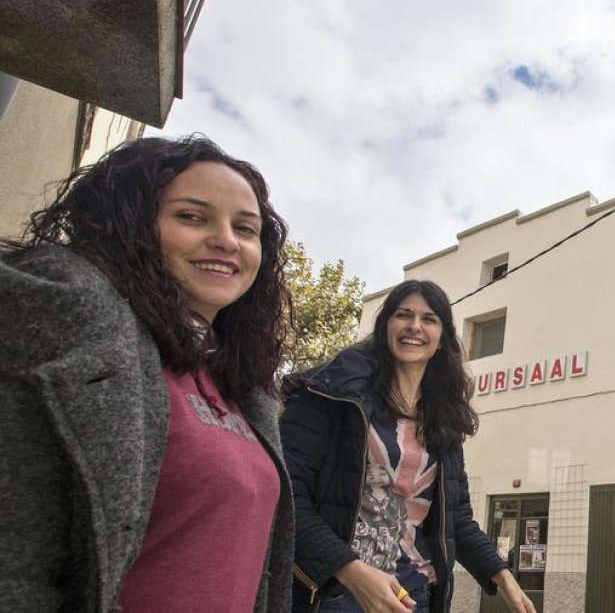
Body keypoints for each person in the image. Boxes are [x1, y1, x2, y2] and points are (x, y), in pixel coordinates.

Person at [0, 135, 295, 611]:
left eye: (245, 228)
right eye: (191, 217)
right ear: (132, 226)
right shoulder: (76, 332)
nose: (225, 240)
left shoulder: (240, 383)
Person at [281, 280, 535, 613]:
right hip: (336, 593)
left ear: (442, 337)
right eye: (404, 315)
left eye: (429, 319)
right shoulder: (329, 395)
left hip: (415, 595)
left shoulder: (443, 421)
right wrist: (351, 571)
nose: (415, 326)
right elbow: (286, 496)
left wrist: (503, 575)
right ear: (385, 324)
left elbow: (456, 518)